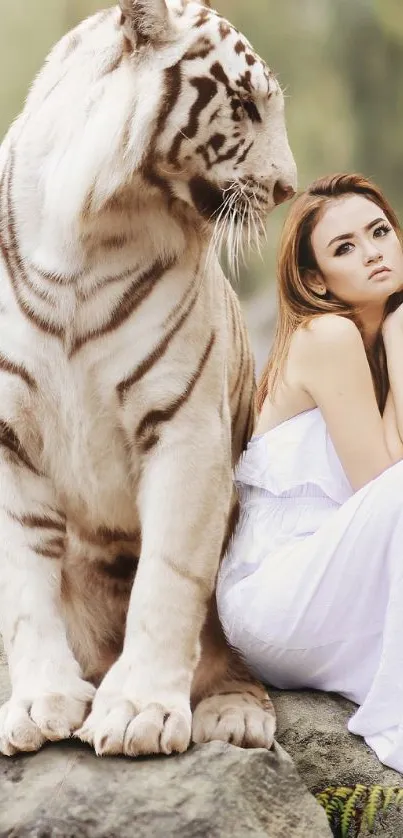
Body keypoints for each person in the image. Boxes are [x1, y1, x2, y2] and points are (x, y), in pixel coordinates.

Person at [216, 173, 403, 772]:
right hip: (274, 598)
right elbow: (383, 486)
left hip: (335, 587)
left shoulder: (372, 347)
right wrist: (401, 334)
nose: (373, 251)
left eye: (379, 232)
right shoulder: (328, 335)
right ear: (316, 279)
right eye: (344, 246)